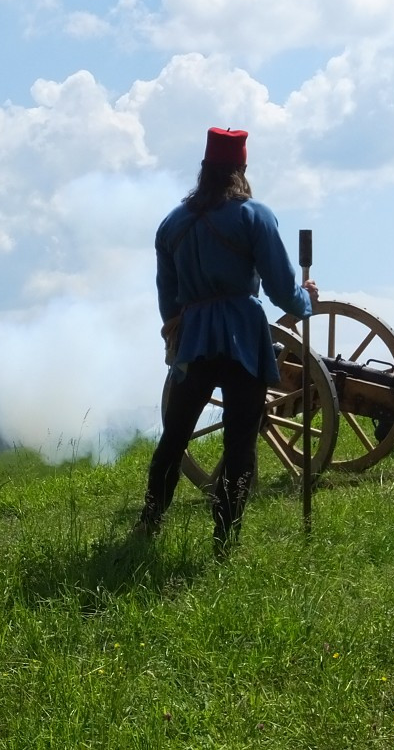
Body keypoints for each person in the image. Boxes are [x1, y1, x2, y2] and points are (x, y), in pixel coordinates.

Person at [135, 127, 318, 556]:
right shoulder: (255, 215)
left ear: (204, 169)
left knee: (174, 436)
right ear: (242, 168)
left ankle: (150, 522)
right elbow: (279, 288)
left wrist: (175, 329)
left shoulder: (172, 224)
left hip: (194, 336)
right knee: (240, 441)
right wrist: (305, 301)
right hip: (243, 334)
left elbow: (168, 293)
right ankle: (224, 540)